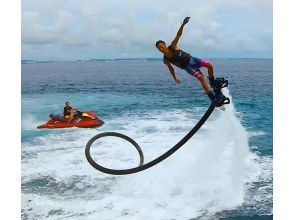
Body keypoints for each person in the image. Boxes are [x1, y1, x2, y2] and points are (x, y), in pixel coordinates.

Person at [155, 16, 223, 106]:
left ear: (164, 44)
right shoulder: (165, 60)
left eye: (161, 47)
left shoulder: (173, 46)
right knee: (201, 78)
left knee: (209, 65)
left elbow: (178, 35)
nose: (161, 49)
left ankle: (212, 82)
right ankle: (212, 97)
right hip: (187, 67)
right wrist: (175, 78)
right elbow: (171, 69)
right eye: (159, 49)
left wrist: (182, 25)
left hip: (193, 60)